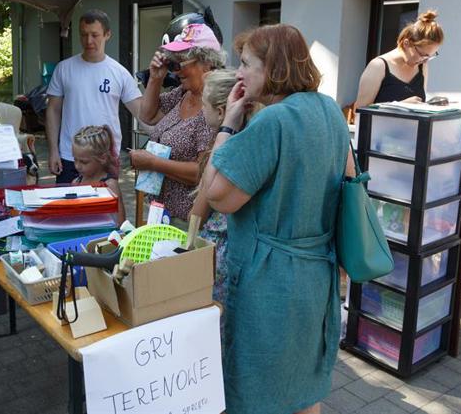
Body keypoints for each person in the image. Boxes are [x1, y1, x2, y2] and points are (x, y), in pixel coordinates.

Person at [204, 24, 349, 414]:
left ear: (273, 68)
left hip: (268, 281)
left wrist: (228, 124)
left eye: (246, 63)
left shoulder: (274, 121)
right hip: (317, 275)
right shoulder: (330, 111)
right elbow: (349, 180)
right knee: (304, 389)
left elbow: (217, 195)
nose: (238, 73)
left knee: (258, 391)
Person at [190, 69, 264, 333]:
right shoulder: (255, 145)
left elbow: (197, 214)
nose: (201, 111)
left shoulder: (222, 153)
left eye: (204, 105)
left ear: (222, 111)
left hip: (219, 257)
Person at [131, 23, 224, 225]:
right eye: (173, 64)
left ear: (207, 63)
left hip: (188, 220)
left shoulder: (214, 107)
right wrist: (155, 78)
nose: (176, 72)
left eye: (180, 64)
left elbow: (203, 172)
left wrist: (153, 163)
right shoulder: (184, 93)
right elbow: (147, 115)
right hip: (164, 212)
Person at [46, 9, 143, 183]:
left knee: (105, 201)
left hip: (105, 158)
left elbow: (142, 112)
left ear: (107, 34)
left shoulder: (119, 73)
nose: (88, 41)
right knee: (66, 201)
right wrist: (53, 151)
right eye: (84, 35)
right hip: (70, 156)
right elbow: (53, 110)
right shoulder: (64, 69)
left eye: (94, 35)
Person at [355, 10, 444, 107]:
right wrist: (399, 105)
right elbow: (359, 111)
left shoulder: (422, 66)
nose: (425, 60)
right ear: (406, 43)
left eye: (430, 56)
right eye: (422, 54)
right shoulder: (378, 66)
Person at [72, 125, 126, 224]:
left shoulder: (109, 186)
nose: (77, 166)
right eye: (75, 160)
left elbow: (121, 222)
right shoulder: (76, 183)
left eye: (84, 162)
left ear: (103, 158)